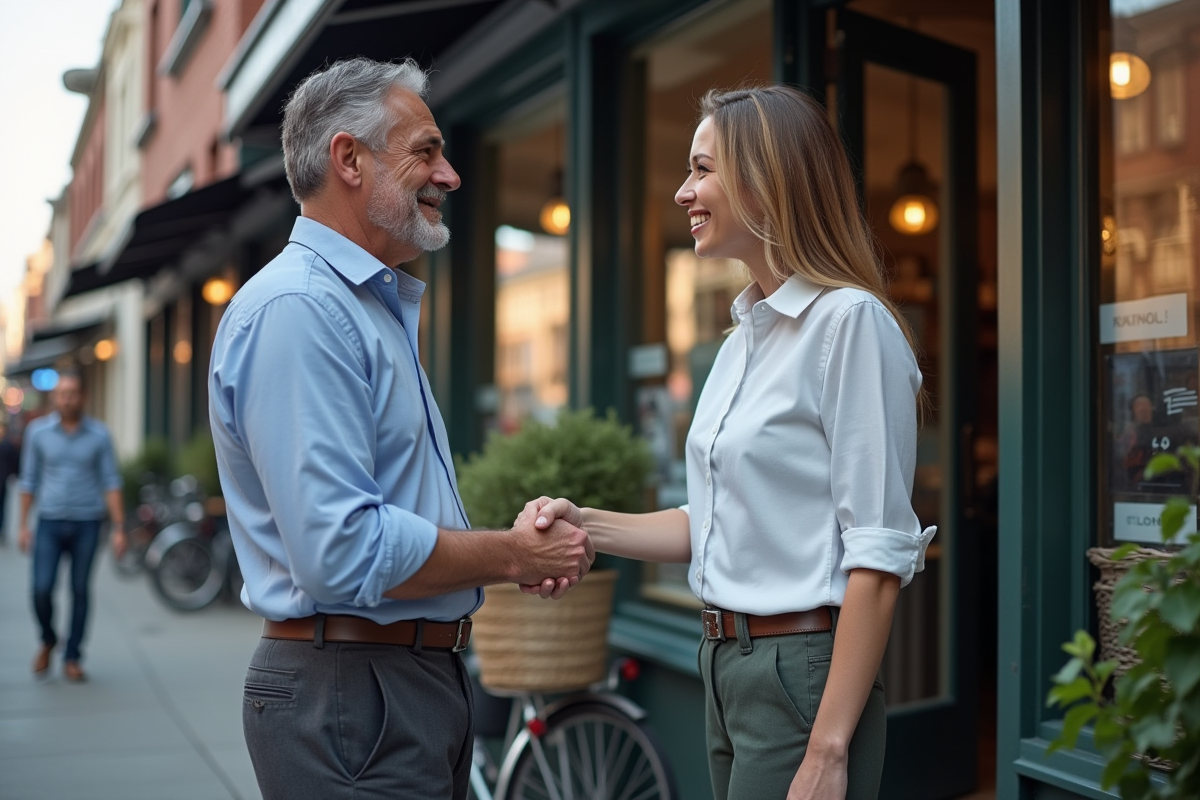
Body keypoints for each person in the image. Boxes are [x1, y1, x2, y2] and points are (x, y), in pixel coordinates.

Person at [523, 85, 936, 800]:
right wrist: (582, 526)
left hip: (800, 667)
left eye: (702, 169)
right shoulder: (742, 340)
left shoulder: (849, 325)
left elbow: (877, 551)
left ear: (769, 179)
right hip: (722, 663)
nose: (684, 192)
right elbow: (709, 521)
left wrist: (830, 747)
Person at [207, 57, 592, 800]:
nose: (448, 174)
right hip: (357, 693)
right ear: (348, 158)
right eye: (426, 151)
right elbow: (341, 550)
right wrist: (511, 554)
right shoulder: (301, 311)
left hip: (389, 686)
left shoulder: (355, 307)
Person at [18, 371, 126, 682]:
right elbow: (29, 481)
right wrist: (23, 525)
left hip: (87, 523)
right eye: (62, 393)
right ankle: (49, 638)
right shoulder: (37, 433)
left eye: (73, 393)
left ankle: (73, 656)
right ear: (55, 397)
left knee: (80, 591)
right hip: (49, 522)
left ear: (83, 397)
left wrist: (119, 527)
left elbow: (110, 481)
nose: (67, 399)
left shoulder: (100, 435)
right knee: (41, 589)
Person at [0, 420, 20, 544]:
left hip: (2, 481)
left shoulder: (8, 445)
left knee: (2, 507)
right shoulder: (8, 444)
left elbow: (14, 461)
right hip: (3, 480)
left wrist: (13, 474)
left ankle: (1, 529)